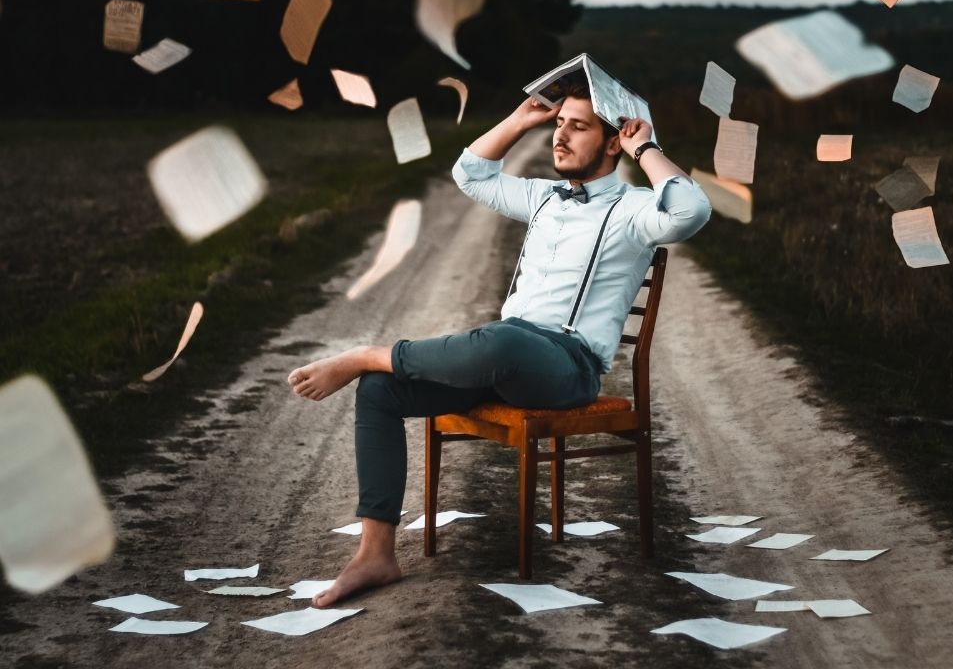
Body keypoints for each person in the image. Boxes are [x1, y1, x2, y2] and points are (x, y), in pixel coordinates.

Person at [286, 79, 711, 607]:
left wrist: (645, 147)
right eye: (559, 124)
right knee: (380, 392)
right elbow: (469, 174)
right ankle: (376, 555)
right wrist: (520, 120)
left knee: (499, 342)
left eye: (577, 128)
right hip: (505, 358)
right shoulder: (542, 197)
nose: (561, 137)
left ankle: (368, 354)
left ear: (612, 142)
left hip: (566, 368)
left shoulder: (635, 210)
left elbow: (691, 211)